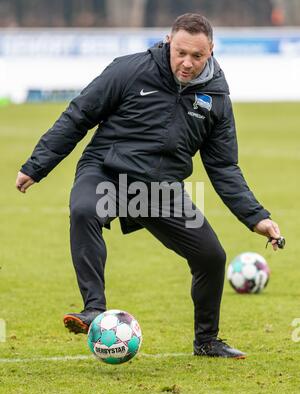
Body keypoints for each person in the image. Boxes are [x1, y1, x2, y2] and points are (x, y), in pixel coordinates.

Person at [16, 13, 281, 358]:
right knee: (84, 210)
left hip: (158, 190)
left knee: (212, 258)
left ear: (211, 51)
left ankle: (207, 341)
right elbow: (78, 115)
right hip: (106, 171)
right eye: (181, 52)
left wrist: (256, 217)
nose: (187, 63)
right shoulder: (129, 70)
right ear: (169, 42)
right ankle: (94, 308)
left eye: (197, 56)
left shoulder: (215, 99)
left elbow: (223, 167)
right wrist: (37, 166)